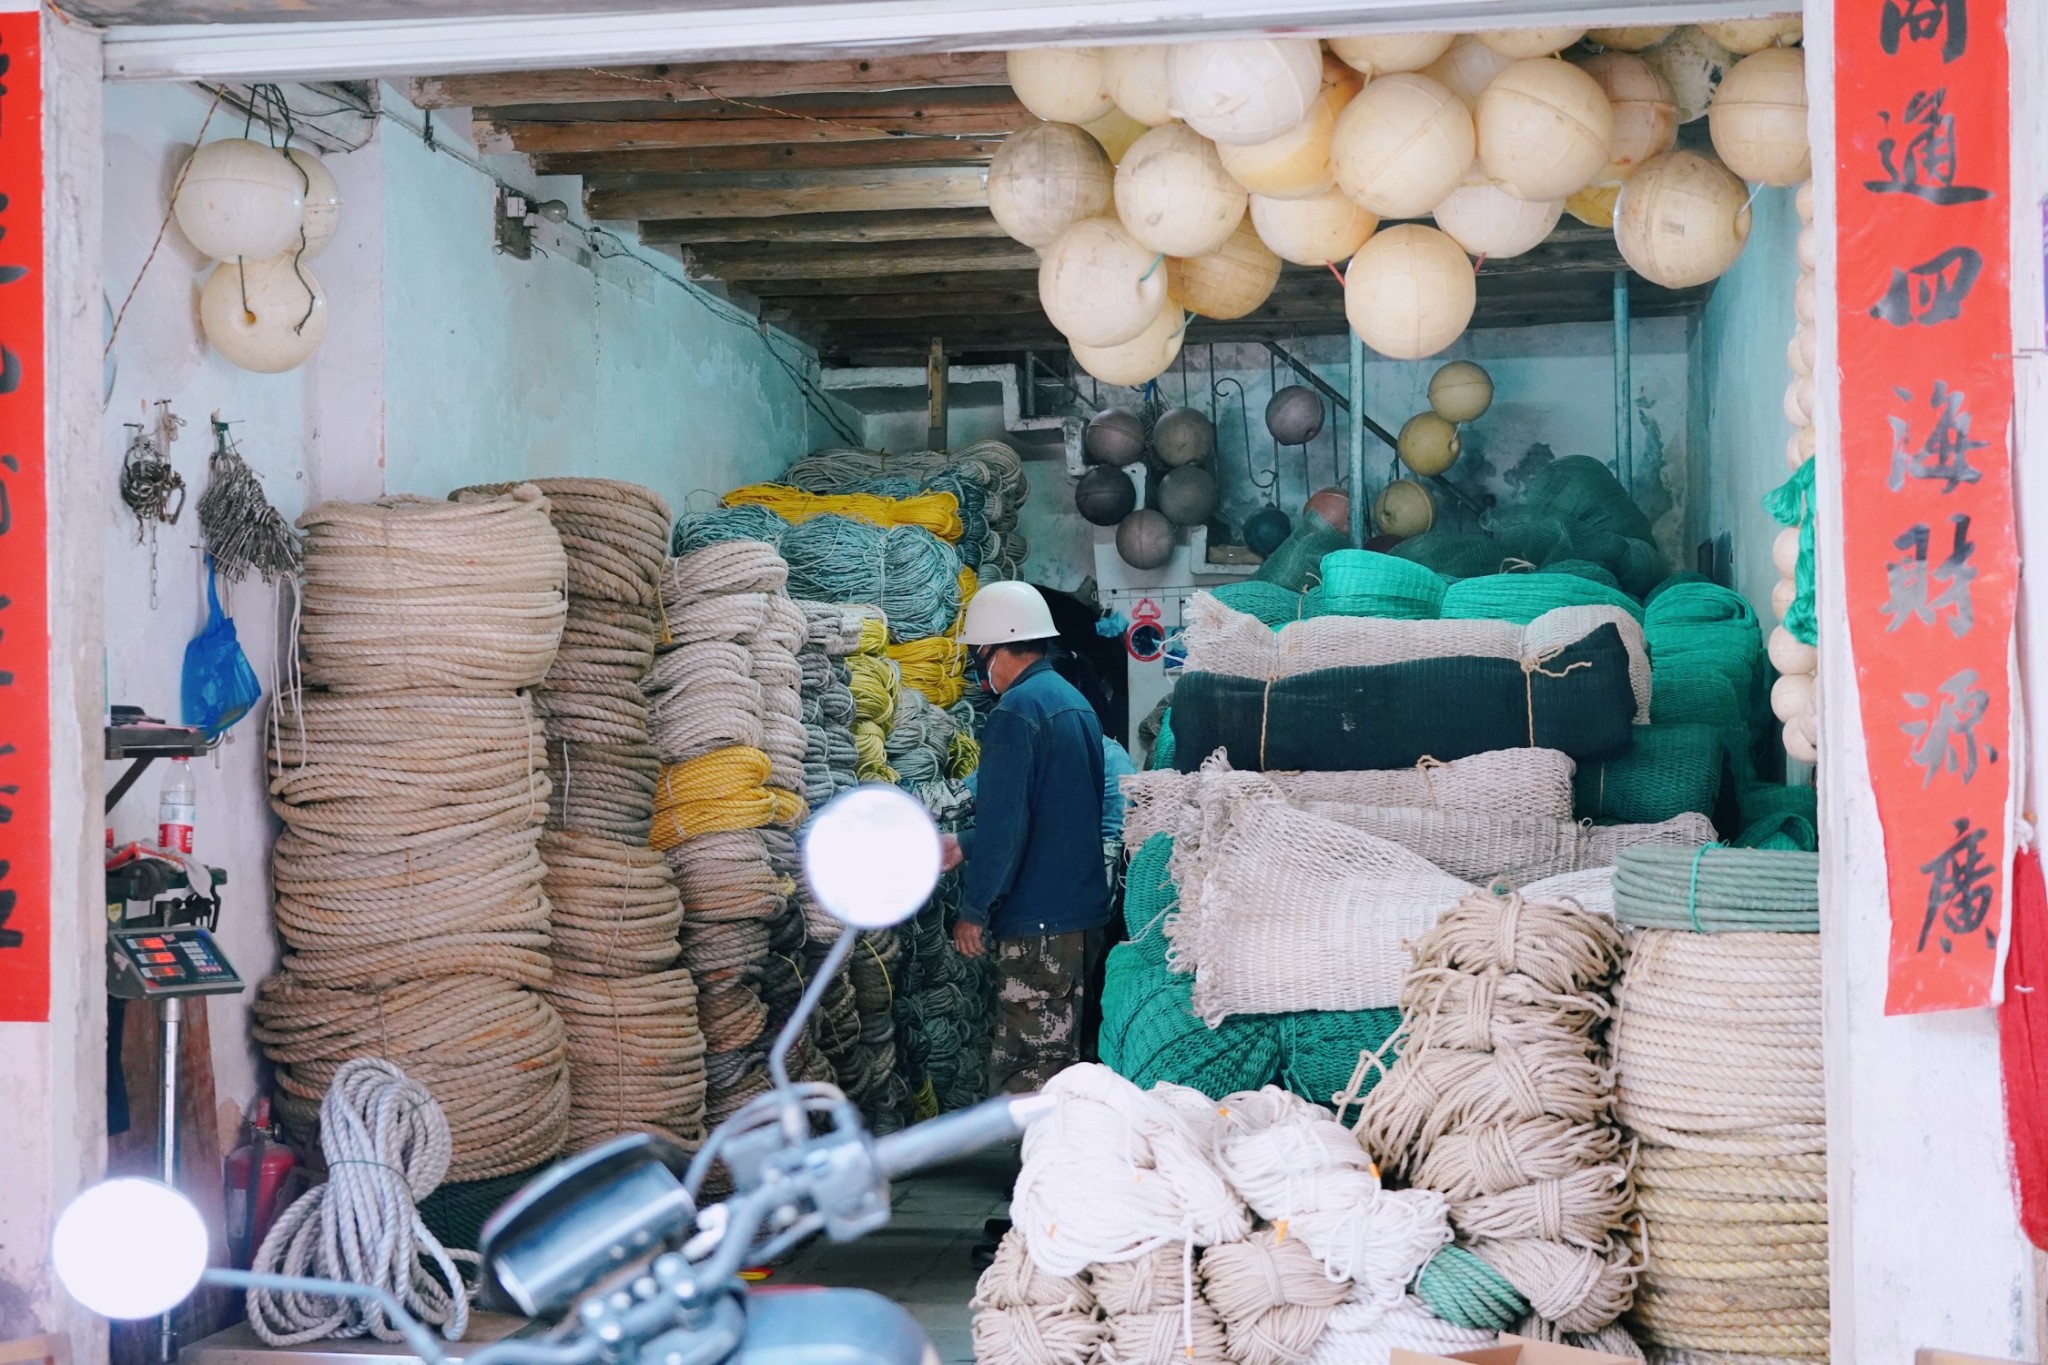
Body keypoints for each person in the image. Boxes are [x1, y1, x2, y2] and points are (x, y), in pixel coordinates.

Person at [941, 580, 1110, 1097]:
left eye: (977, 652)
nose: (976, 664)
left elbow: (1006, 823)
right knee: (1062, 1060)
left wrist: (975, 910)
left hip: (1039, 926)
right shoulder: (1072, 702)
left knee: (1027, 1068)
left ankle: (1033, 1173)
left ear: (993, 647)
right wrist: (964, 843)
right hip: (1079, 917)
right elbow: (1055, 810)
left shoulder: (1017, 712)